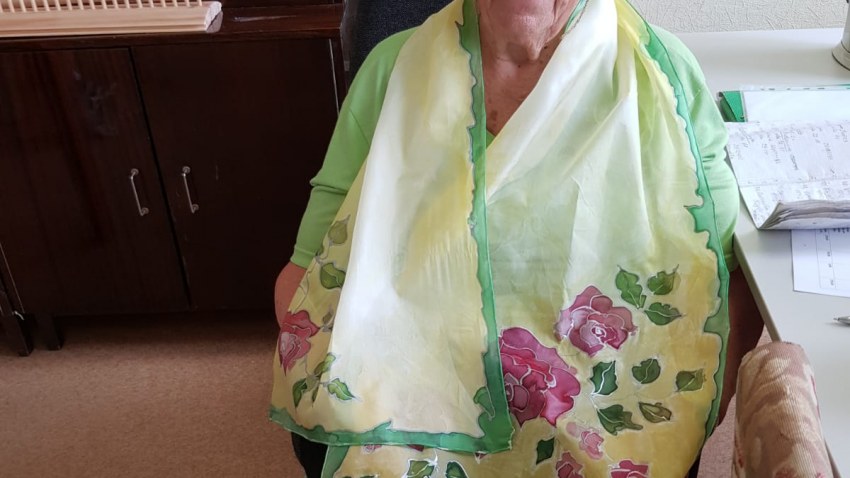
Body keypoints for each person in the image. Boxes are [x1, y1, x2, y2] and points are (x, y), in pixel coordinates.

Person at [271, 0, 764, 476]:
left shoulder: (663, 78)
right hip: (411, 375)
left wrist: (703, 407)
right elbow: (310, 269)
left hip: (603, 390)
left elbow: (726, 273)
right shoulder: (393, 71)